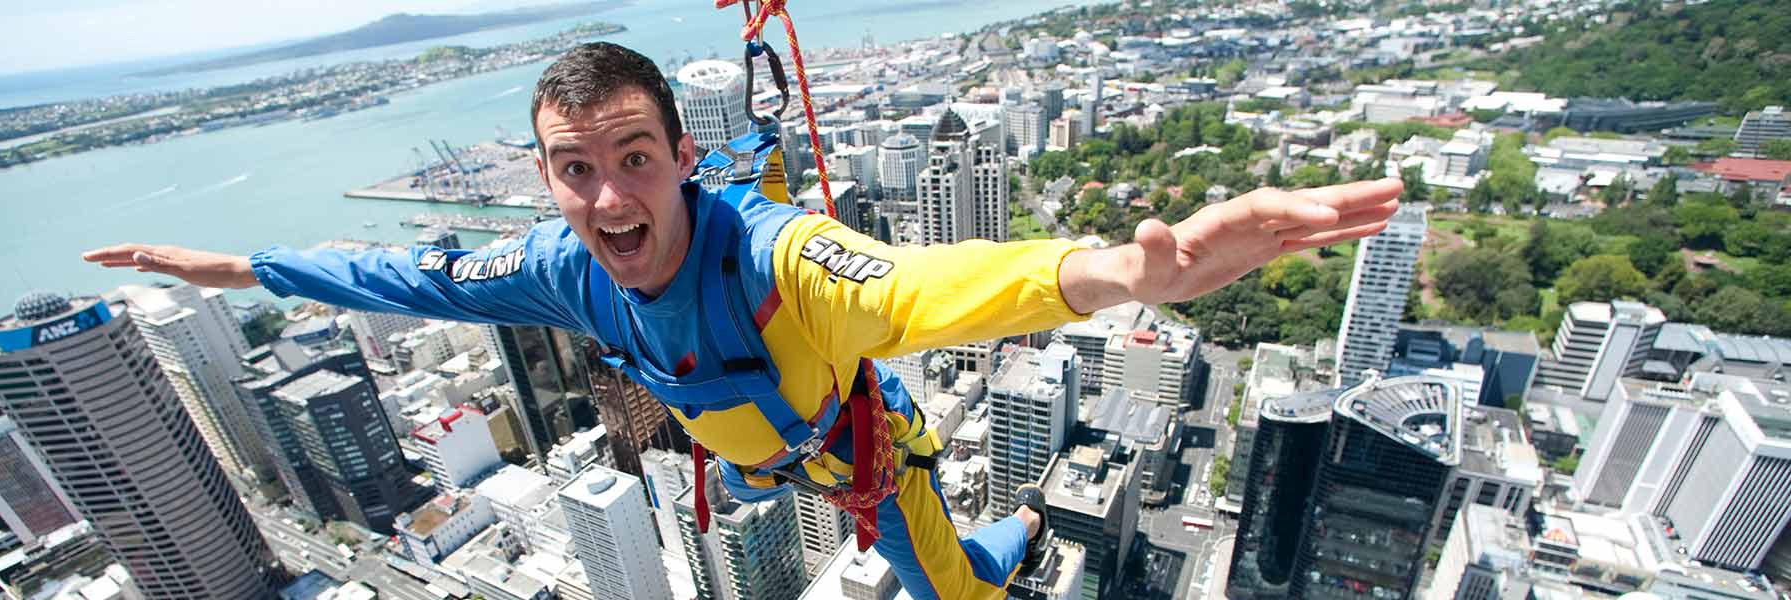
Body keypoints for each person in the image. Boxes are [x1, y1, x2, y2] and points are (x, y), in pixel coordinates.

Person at [84, 42, 1400, 600]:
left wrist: (1119, 277)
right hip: (765, 455)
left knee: (941, 579)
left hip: (859, 452)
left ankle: (996, 548)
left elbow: (918, 289)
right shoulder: (558, 265)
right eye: (575, 165)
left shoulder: (781, 258)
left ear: (681, 155)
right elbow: (401, 274)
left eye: (634, 156)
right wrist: (235, 268)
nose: (608, 194)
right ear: (546, 175)